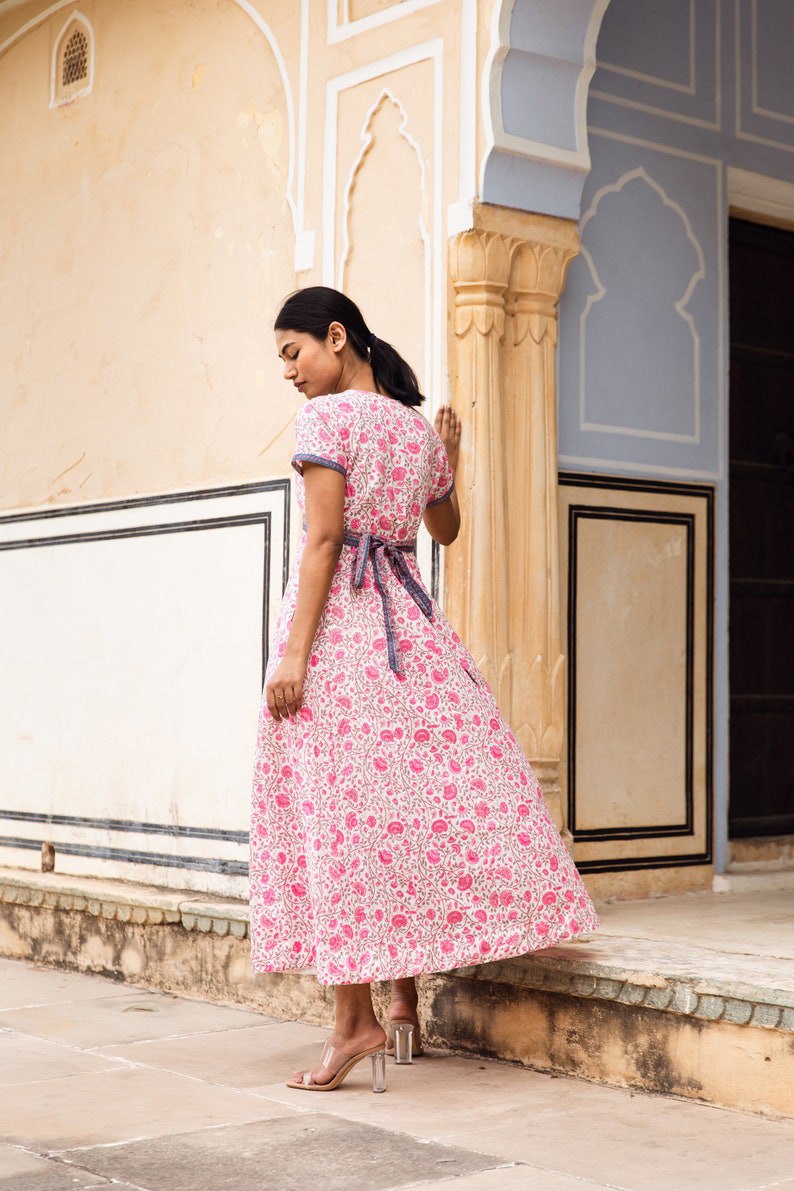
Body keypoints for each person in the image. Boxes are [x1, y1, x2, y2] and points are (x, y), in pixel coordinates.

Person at [249, 286, 599, 1092]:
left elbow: (327, 538)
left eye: (293, 353)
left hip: (346, 634)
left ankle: (353, 1022)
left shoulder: (328, 422)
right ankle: (402, 1004)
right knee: (401, 806)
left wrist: (294, 653)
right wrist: (450, 460)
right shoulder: (415, 428)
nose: (290, 373)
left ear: (337, 337)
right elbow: (445, 530)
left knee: (340, 815)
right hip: (414, 635)